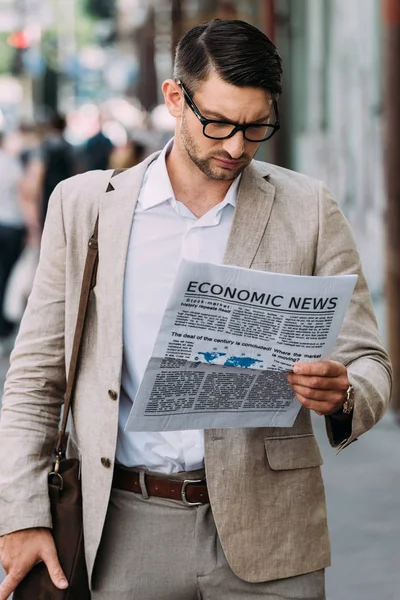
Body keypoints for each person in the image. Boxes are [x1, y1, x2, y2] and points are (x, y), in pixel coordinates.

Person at [0, 19, 392, 600]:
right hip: (124, 527)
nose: (236, 146)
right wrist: (21, 513)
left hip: (272, 528)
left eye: (255, 127)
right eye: (218, 123)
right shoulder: (86, 207)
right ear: (175, 98)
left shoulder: (309, 209)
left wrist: (346, 394)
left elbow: (368, 359)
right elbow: (35, 378)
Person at [0, 131, 27, 350]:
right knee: (7, 275)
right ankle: (4, 324)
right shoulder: (11, 163)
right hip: (11, 225)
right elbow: (24, 194)